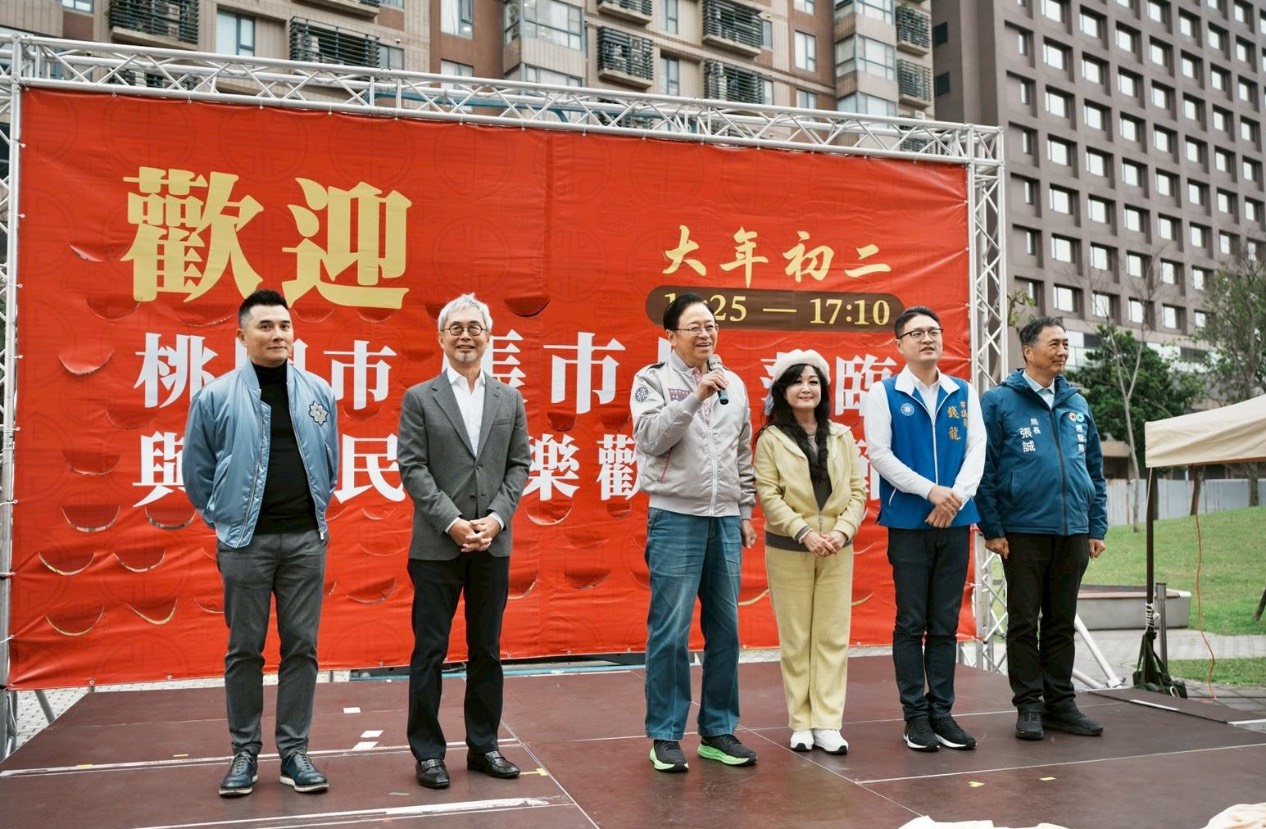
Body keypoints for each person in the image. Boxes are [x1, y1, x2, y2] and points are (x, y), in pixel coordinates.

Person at [183, 288, 339, 797]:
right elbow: (197, 473)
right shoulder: (214, 396)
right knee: (244, 650)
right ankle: (244, 753)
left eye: (284, 326)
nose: (278, 335)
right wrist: (225, 520)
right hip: (245, 544)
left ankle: (295, 752)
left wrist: (314, 511)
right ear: (241, 335)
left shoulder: (318, 391)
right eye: (266, 326)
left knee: (302, 648)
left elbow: (330, 462)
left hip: (305, 542)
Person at [398, 293, 531, 790]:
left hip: (492, 545)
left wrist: (496, 519)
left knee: (487, 651)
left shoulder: (508, 399)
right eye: (456, 328)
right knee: (429, 651)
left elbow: (519, 464)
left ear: (489, 337)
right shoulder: (420, 398)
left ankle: (484, 745)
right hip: (437, 546)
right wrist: (452, 521)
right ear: (441, 337)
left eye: (475, 327)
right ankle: (428, 753)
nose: (466, 336)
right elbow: (412, 467)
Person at [629, 292, 759, 773]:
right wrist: (694, 397)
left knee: (726, 631)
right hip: (675, 517)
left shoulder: (734, 384)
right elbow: (650, 438)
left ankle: (718, 730)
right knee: (670, 631)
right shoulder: (652, 380)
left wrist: (744, 510)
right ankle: (665, 735)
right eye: (695, 327)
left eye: (711, 326)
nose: (706, 334)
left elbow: (741, 452)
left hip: (724, 520)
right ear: (671, 336)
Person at [977, 316, 1108, 741]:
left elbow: (1094, 469)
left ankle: (1061, 704)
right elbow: (985, 468)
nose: (1063, 351)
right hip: (1022, 530)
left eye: (1066, 344)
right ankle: (1029, 705)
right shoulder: (999, 401)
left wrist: (1096, 525)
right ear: (1028, 351)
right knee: (1023, 622)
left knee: (1061, 621)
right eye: (1054, 343)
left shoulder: (1077, 403)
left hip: (1073, 529)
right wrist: (993, 528)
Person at [862, 306, 986, 753]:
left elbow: (977, 448)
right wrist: (930, 492)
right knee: (912, 622)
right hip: (910, 523)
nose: (927, 338)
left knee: (945, 623)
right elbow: (880, 454)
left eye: (933, 331)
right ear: (899, 345)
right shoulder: (884, 393)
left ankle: (942, 713)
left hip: (956, 521)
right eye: (916, 333)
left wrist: (955, 498)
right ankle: (915, 715)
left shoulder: (962, 391)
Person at [755, 349, 867, 756]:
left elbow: (858, 491)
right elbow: (768, 494)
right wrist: (804, 532)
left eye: (814, 381)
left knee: (832, 637)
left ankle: (828, 723)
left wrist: (842, 530)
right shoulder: (770, 439)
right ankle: (801, 723)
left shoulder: (841, 435)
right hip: (789, 547)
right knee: (796, 637)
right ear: (782, 391)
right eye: (798, 382)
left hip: (837, 547)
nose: (807, 388)